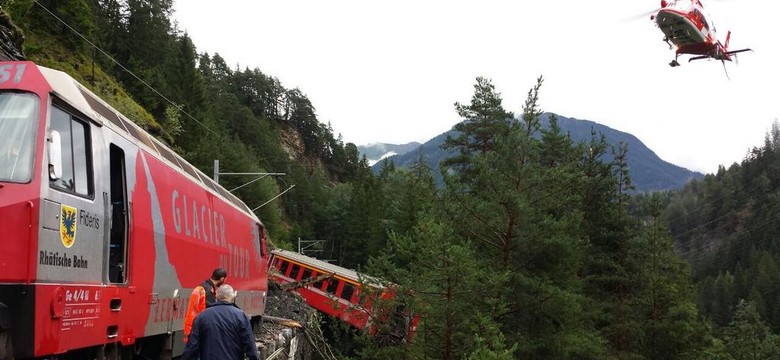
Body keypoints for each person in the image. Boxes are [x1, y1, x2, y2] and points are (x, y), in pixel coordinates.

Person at [181, 284, 259, 360]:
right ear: (232, 297)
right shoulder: (241, 316)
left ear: (217, 296)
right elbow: (250, 346)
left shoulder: (202, 316)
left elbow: (192, 347)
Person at [183, 268, 227, 343]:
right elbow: (206, 310)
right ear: (222, 279)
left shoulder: (206, 288)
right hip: (198, 330)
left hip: (197, 329)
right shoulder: (205, 290)